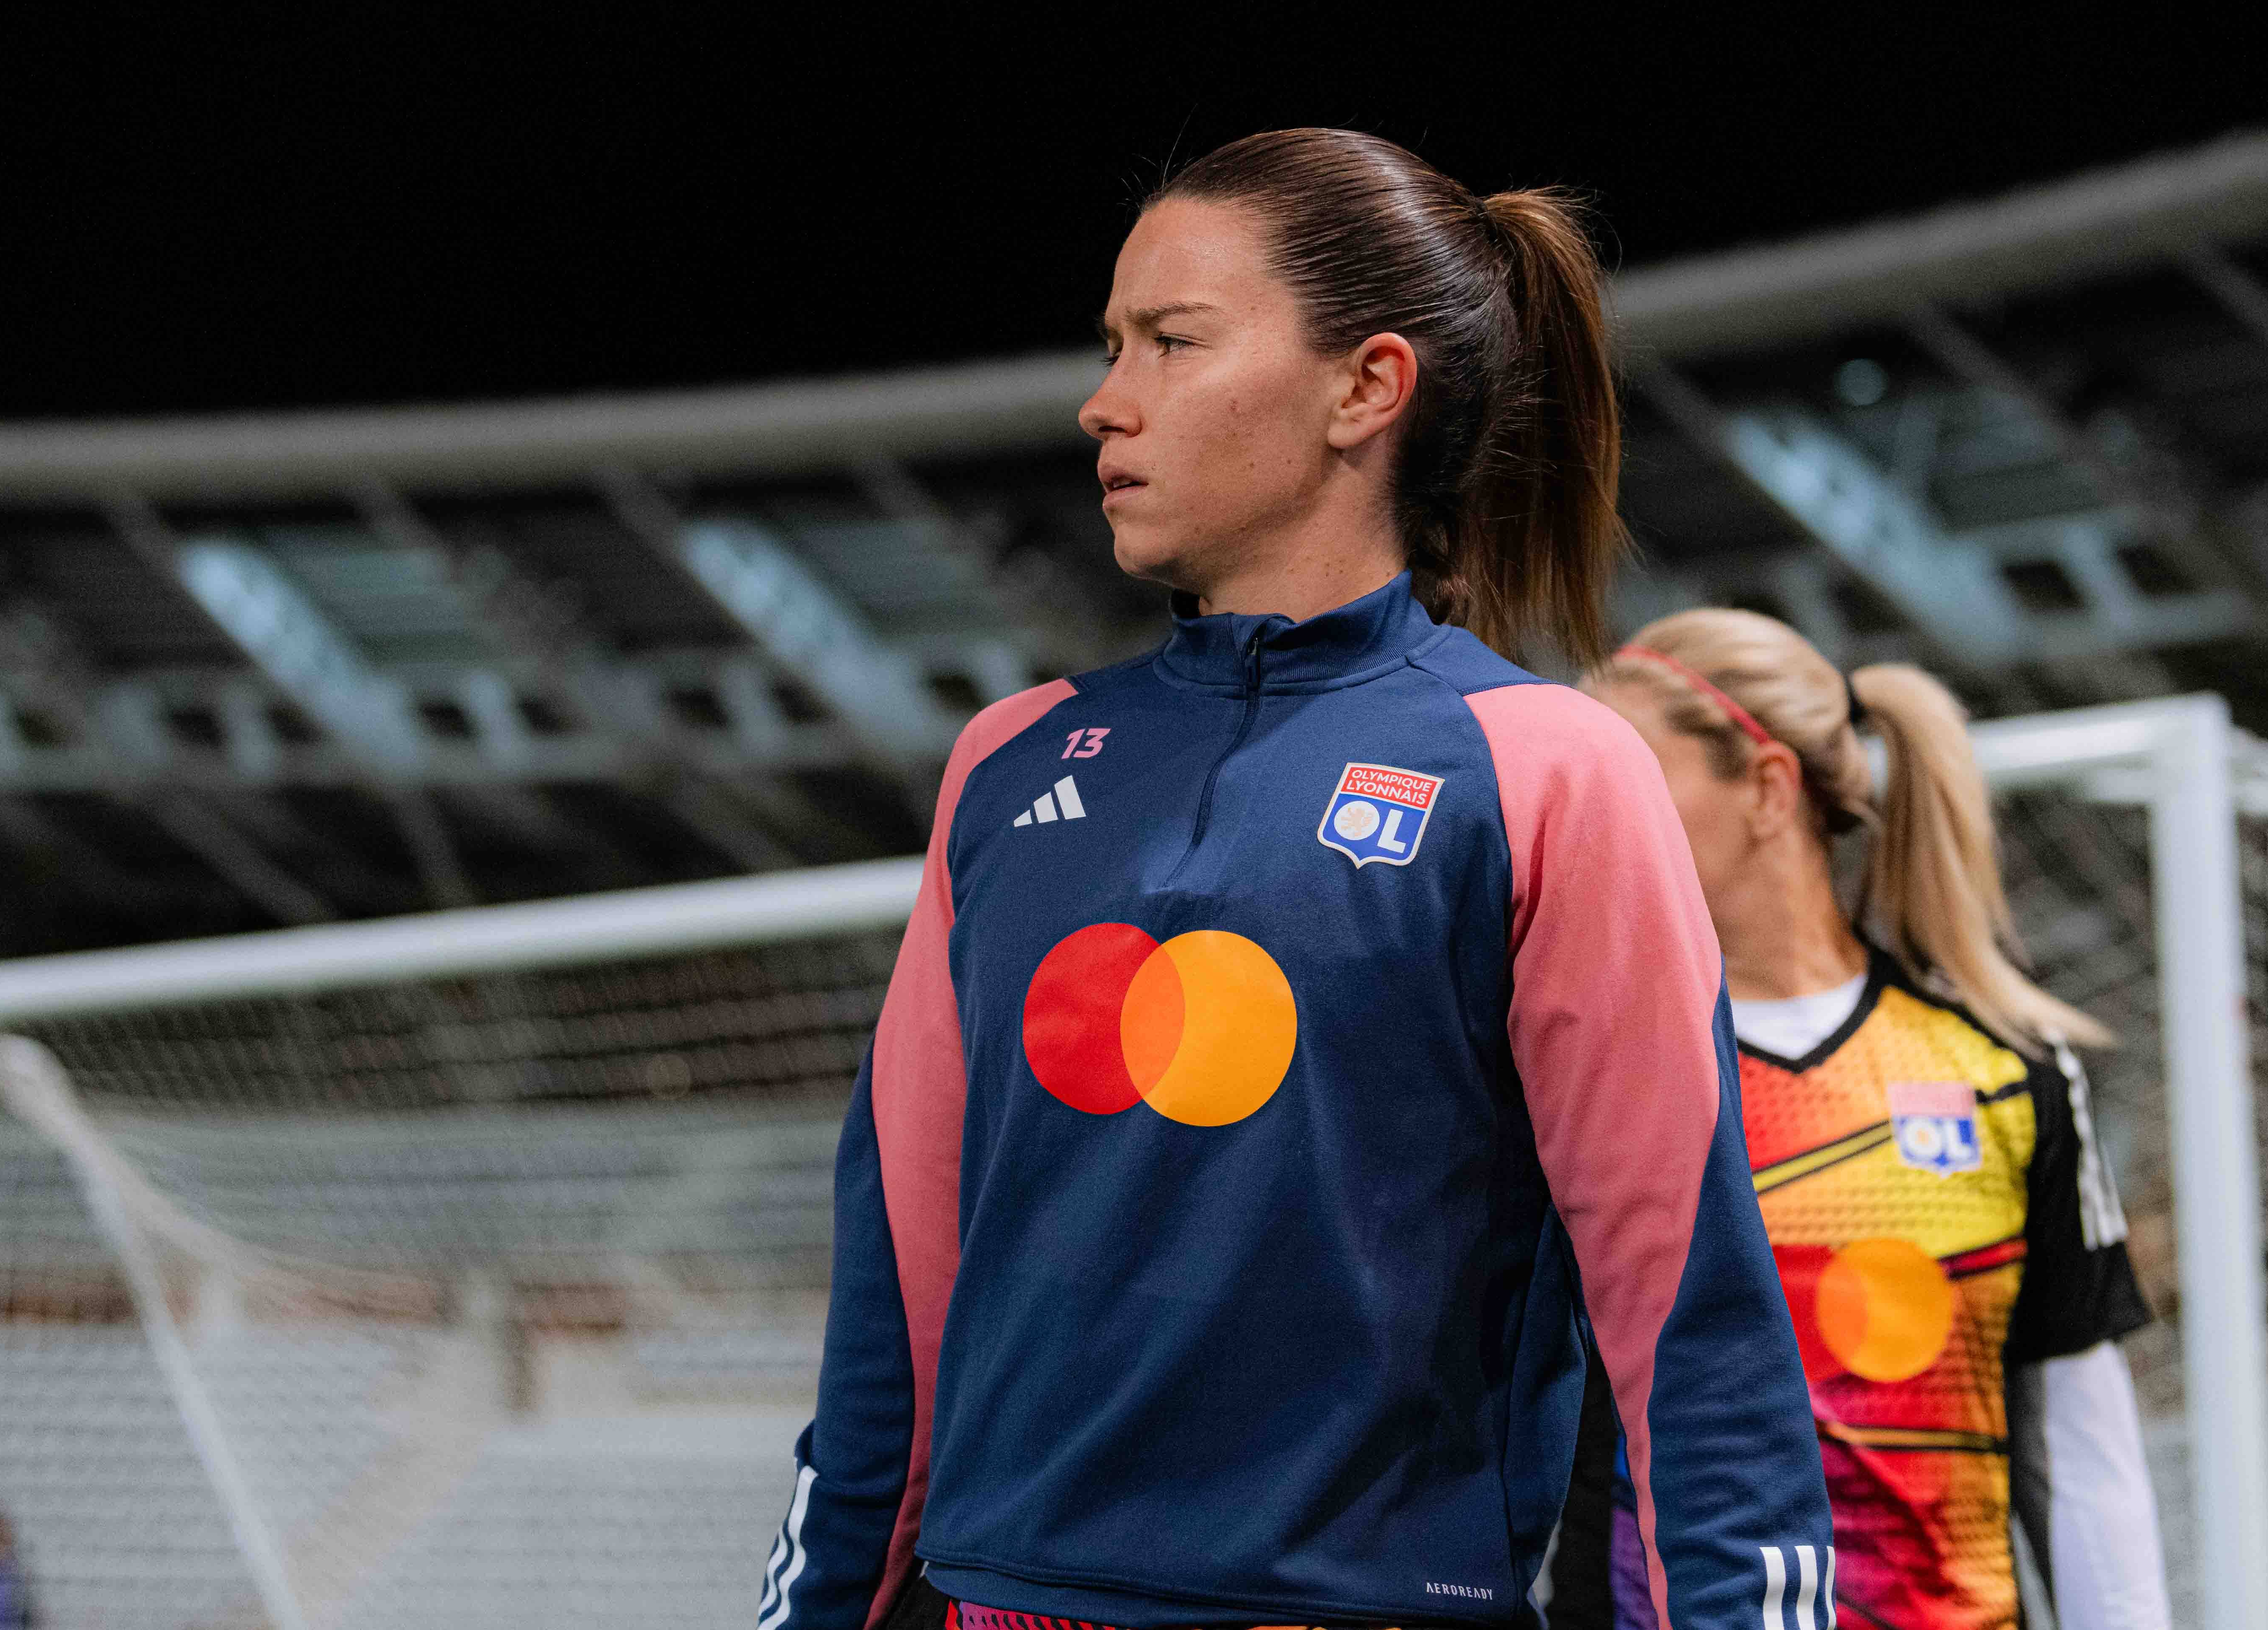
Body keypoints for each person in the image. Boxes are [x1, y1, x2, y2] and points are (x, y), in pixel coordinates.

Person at [758, 130, 1830, 1630]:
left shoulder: (1544, 770)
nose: (1103, 400)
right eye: (1111, 344)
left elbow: (1691, 1319)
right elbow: (897, 1286)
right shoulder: (1009, 759)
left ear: (1365, 388)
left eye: (1172, 342)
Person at [1555, 610, 2169, 1630]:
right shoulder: (1577, 1069)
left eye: (1629, 783)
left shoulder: (2002, 1071)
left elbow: (2083, 1452)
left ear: (1765, 788)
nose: (1591, 824)